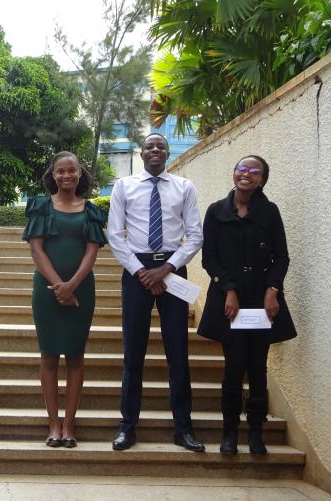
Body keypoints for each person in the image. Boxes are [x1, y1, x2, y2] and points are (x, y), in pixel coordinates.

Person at [107, 133, 205, 452]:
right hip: (136, 271)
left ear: (167, 153)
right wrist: (141, 272)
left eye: (160, 146)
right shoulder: (124, 186)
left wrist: (167, 269)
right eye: (149, 146)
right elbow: (115, 234)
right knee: (133, 353)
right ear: (142, 152)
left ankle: (183, 429)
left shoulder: (184, 187)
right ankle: (127, 427)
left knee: (178, 353)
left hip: (172, 269)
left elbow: (195, 235)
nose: (155, 150)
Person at [197, 155, 296, 455]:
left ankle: (255, 433)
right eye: (242, 168)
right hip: (230, 302)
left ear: (261, 180)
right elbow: (208, 257)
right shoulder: (216, 211)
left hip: (261, 302)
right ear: (234, 173)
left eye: (255, 171)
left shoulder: (270, 211)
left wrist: (272, 289)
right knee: (233, 368)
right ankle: (229, 432)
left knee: (257, 368)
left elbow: (281, 256)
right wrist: (228, 289)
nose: (247, 174)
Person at [22, 151, 107, 448]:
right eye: (61, 171)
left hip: (81, 289)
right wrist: (60, 287)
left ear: (80, 173)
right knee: (48, 356)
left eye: (72, 170)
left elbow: (92, 251)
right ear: (53, 174)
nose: (67, 175)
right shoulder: (41, 206)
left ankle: (69, 425)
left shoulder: (91, 210)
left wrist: (71, 286)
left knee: (75, 356)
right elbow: (36, 250)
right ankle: (53, 425)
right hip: (47, 291)